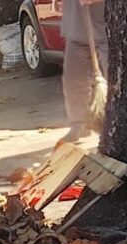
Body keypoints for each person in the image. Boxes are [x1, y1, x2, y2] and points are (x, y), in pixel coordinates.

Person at [59, 0, 107, 144]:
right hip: (78, 23)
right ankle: (79, 124)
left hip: (111, 25)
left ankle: (116, 126)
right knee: (73, 79)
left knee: (117, 79)